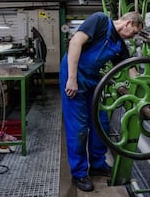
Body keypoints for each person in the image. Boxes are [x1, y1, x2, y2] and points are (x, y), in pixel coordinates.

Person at [59, 11, 143, 192]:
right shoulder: (100, 21)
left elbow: (131, 69)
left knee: (101, 122)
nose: (133, 37)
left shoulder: (120, 44)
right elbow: (75, 42)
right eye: (134, 32)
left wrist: (144, 92)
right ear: (128, 23)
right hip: (73, 73)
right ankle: (79, 173)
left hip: (92, 79)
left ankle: (97, 164)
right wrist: (72, 78)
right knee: (79, 127)